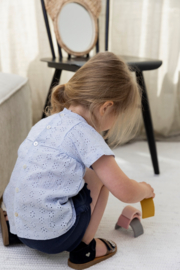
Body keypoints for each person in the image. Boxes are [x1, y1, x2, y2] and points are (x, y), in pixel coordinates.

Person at [0, 52, 155, 269]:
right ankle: (84, 248)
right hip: (53, 238)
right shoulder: (87, 135)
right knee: (100, 177)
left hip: (18, 223)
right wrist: (144, 190)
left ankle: (11, 226)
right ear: (106, 107)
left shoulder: (47, 122)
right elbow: (125, 191)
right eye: (117, 115)